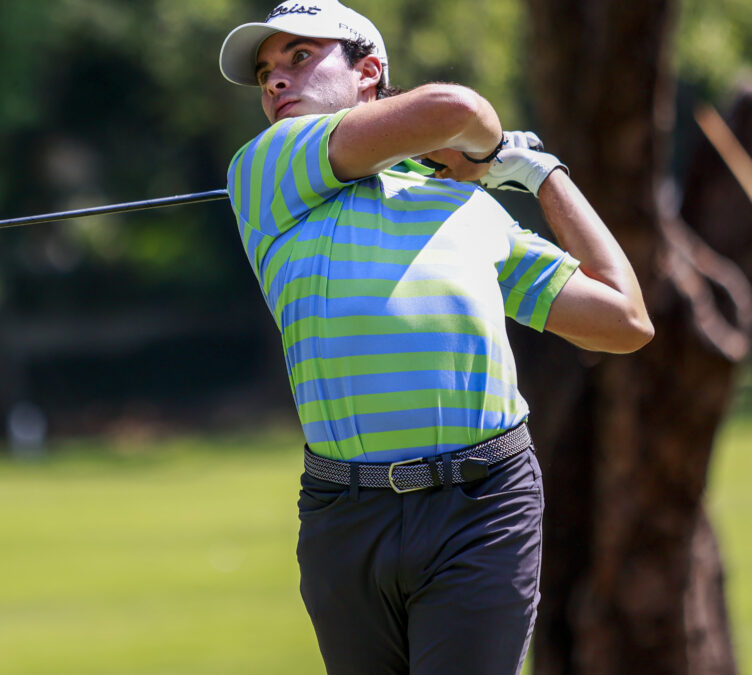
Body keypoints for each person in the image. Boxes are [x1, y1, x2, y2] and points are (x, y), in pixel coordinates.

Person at [218, 2, 653, 673]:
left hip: (482, 507)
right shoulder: (267, 170)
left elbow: (624, 319)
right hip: (344, 514)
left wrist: (541, 175)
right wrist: (485, 150)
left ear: (369, 71)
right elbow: (455, 112)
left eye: (299, 57)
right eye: (266, 72)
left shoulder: (469, 210)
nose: (275, 80)